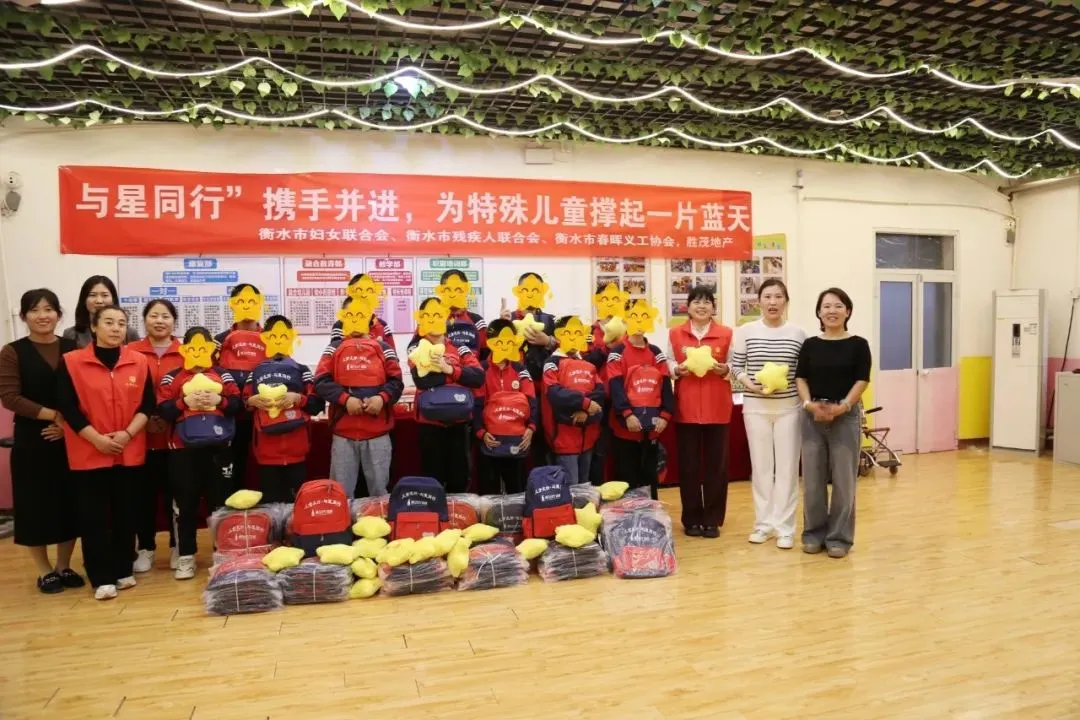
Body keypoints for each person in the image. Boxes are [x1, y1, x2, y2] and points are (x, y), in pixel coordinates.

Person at [56, 306, 154, 600]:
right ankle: (100, 577)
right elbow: (68, 407)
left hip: (128, 448)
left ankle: (123, 569)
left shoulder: (139, 361)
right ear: (94, 327)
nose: (115, 328)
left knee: (126, 513)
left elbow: (147, 404)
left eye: (121, 323)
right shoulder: (72, 361)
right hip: (89, 450)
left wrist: (127, 434)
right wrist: (96, 439)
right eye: (109, 322)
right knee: (94, 517)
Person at [0, 289, 84, 594]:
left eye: (48, 309)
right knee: (34, 504)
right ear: (24, 316)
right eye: (34, 310)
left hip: (68, 439)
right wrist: (54, 415)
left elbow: (83, 393)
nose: (42, 316)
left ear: (58, 315)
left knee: (68, 502)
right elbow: (10, 397)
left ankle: (63, 565)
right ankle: (44, 570)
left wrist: (67, 426)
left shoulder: (72, 348)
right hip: (32, 439)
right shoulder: (12, 351)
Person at [158, 326, 243, 580]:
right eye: (193, 347)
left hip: (219, 450)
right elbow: (163, 410)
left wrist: (220, 401)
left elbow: (237, 404)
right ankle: (186, 556)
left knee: (220, 504)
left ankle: (222, 554)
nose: (198, 352)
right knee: (185, 505)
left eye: (203, 346)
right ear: (185, 350)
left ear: (211, 350)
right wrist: (185, 402)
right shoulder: (172, 377)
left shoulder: (223, 374)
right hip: (183, 451)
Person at [728, 279, 806, 550]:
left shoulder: (798, 333)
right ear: (759, 301)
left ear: (786, 301)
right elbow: (736, 366)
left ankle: (785, 528)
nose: (773, 302)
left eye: (778, 297)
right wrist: (750, 385)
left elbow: (802, 373)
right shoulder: (745, 331)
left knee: (787, 469)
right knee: (761, 469)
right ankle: (763, 525)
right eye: (768, 297)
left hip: (789, 409)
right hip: (755, 408)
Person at [795, 287, 871, 559]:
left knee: (844, 481)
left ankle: (839, 538)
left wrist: (844, 406)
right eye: (826, 306)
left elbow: (862, 379)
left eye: (838, 306)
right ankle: (813, 534)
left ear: (847, 311)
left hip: (845, 416)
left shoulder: (859, 344)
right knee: (813, 480)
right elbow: (801, 377)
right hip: (812, 415)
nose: (832, 311)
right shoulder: (810, 345)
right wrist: (808, 404)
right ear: (819, 312)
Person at [316, 299, 403, 499]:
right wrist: (346, 399)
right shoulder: (334, 348)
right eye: (350, 315)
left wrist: (381, 398)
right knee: (341, 495)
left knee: (379, 495)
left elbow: (396, 382)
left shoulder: (384, 347)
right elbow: (321, 380)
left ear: (370, 317)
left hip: (378, 434)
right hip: (343, 434)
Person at [668, 285, 733, 538]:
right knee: (689, 466)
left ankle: (712, 520)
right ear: (688, 306)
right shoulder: (675, 333)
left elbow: (736, 363)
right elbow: (667, 361)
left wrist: (726, 369)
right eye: (697, 302)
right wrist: (676, 370)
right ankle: (692, 519)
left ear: (713, 307)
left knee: (717, 467)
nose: (702, 306)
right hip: (686, 407)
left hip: (718, 408)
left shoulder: (726, 333)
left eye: (707, 302)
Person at [128, 300, 184, 572]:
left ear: (174, 321)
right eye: (153, 316)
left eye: (165, 316)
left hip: (177, 439)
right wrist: (144, 420)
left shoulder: (186, 352)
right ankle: (146, 547)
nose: (159, 321)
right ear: (145, 320)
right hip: (140, 439)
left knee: (177, 497)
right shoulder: (130, 351)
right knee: (143, 498)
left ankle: (177, 546)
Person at [246, 316, 325, 503]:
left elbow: (317, 404)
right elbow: (241, 403)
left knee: (296, 506)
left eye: (284, 336)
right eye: (273, 336)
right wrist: (251, 401)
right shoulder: (255, 371)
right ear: (265, 338)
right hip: (266, 453)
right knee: (271, 507)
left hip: (297, 452)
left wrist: (297, 398)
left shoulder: (302, 370)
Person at [408, 297, 484, 492]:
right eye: (428, 316)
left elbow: (478, 377)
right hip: (429, 424)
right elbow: (422, 380)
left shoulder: (460, 348)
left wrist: (449, 369)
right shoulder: (417, 348)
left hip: (459, 424)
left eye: (438, 315)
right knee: (432, 480)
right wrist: (457, 377)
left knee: (459, 479)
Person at [607, 300, 673, 500]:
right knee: (626, 481)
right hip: (625, 429)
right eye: (634, 316)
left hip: (652, 429)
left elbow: (665, 385)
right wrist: (627, 415)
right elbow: (615, 386)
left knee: (650, 479)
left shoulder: (656, 353)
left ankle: (651, 518)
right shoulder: (617, 353)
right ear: (626, 320)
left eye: (644, 317)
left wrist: (665, 415)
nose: (639, 321)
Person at [473, 319, 537, 494]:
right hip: (489, 439)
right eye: (500, 341)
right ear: (490, 342)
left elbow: (532, 401)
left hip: (517, 440)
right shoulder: (481, 369)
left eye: (509, 341)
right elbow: (476, 404)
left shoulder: (521, 370)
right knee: (489, 493)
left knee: (517, 490)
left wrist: (531, 428)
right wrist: (481, 432)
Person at [541, 315, 606, 484]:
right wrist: (584, 404)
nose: (572, 338)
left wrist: (587, 411)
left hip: (588, 437)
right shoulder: (552, 363)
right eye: (567, 333)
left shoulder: (587, 363)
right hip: (564, 439)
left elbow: (599, 391)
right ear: (558, 336)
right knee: (571, 488)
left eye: (577, 333)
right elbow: (555, 394)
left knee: (585, 488)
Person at [215, 283, 267, 492]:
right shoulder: (220, 341)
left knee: (265, 471)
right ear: (233, 305)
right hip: (230, 418)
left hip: (264, 416)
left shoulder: (272, 338)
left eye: (252, 302)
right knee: (230, 470)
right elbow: (210, 374)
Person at [585, 282, 628, 485]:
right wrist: (607, 347)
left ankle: (625, 494)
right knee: (597, 449)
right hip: (598, 398)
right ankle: (596, 491)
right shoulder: (588, 331)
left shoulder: (629, 330)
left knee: (623, 448)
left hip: (623, 396)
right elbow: (584, 362)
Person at [63, 275, 138, 348]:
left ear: (113, 299)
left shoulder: (129, 333)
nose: (99, 301)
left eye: (105, 295)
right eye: (93, 295)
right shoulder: (71, 334)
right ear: (84, 300)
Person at [328, 273, 397, 350]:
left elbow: (392, 354)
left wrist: (380, 345)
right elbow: (334, 354)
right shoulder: (340, 325)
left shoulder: (382, 325)